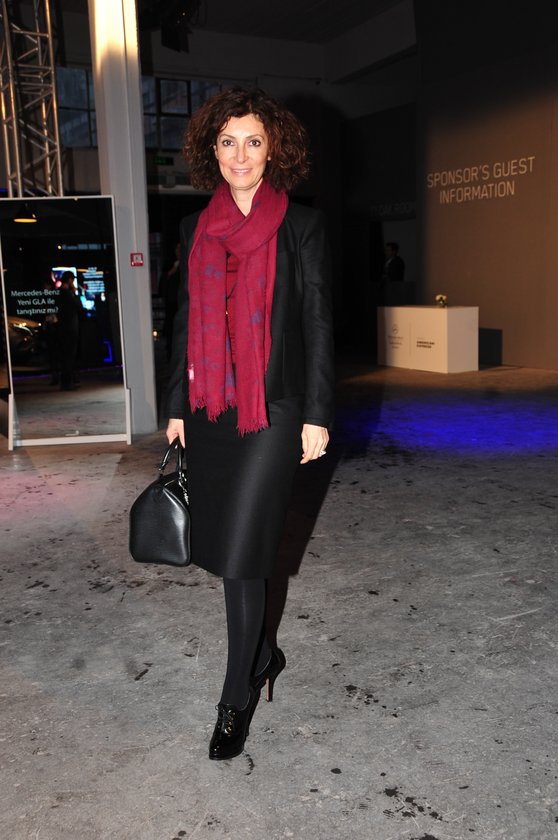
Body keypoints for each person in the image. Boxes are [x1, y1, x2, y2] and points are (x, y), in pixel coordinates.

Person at [164, 87, 335, 761]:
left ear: (274, 150)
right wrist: (175, 404)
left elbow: (318, 325)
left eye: (254, 141)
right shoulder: (194, 227)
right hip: (211, 408)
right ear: (212, 150)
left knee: (243, 550)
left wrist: (318, 413)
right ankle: (263, 655)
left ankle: (237, 693)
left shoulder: (302, 225)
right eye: (228, 141)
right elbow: (183, 320)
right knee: (229, 553)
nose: (241, 155)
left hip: (275, 407)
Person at [56, 271, 82, 391]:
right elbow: (78, 305)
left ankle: (66, 381)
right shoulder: (67, 294)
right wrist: (75, 293)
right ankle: (67, 382)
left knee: (65, 355)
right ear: (70, 280)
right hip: (70, 328)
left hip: (62, 328)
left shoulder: (58, 293)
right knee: (69, 355)